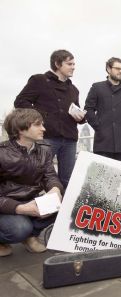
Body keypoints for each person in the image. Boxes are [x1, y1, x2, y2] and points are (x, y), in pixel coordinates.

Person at [15, 49, 85, 188]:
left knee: (67, 179)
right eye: (69, 64)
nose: (73, 67)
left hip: (69, 138)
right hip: (46, 137)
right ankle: (33, 207)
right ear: (57, 64)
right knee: (38, 175)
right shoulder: (39, 80)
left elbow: (76, 109)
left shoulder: (74, 89)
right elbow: (20, 102)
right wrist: (41, 118)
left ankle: (62, 209)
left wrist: (81, 117)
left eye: (73, 64)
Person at [0, 108, 63, 257]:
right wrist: (20, 208)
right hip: (6, 206)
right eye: (38, 125)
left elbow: (50, 175)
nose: (44, 128)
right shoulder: (2, 153)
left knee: (66, 205)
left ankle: (29, 236)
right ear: (21, 129)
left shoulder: (44, 149)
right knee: (19, 228)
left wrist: (55, 189)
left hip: (32, 201)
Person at [84, 57, 121, 162]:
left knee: (120, 175)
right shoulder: (97, 87)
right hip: (103, 140)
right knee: (101, 175)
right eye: (117, 68)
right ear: (108, 69)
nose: (120, 71)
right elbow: (88, 109)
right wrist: (99, 127)